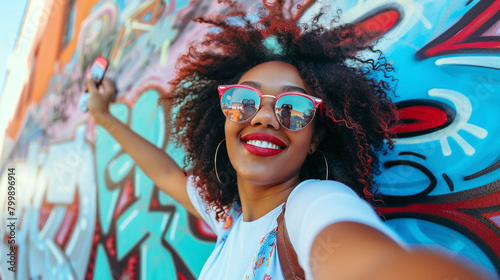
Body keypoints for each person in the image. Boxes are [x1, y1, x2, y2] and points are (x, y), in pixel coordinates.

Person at [86, 1, 485, 279]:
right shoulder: (228, 217)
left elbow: (368, 263)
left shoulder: (311, 204)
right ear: (224, 119)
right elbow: (165, 173)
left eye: (292, 108)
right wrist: (103, 116)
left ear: (314, 138)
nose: (263, 117)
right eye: (244, 101)